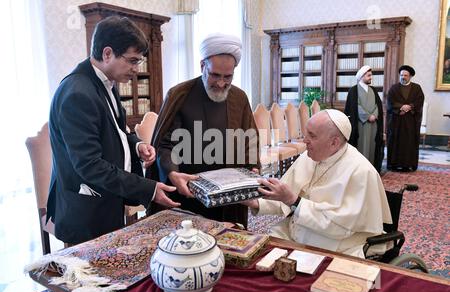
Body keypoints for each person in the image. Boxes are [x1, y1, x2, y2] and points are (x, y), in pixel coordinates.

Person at [47, 16, 179, 245]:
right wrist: (148, 188)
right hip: (86, 214)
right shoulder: (77, 93)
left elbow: (118, 131)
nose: (136, 70)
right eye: (132, 61)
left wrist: (137, 145)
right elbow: (89, 165)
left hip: (107, 201)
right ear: (107, 53)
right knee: (93, 279)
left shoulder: (105, 82)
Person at [244, 110, 392, 258]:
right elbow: (284, 194)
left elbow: (339, 227)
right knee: (257, 253)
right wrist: (257, 203)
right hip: (295, 232)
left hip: (335, 246)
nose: (304, 140)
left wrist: (294, 201)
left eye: (312, 136)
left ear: (334, 142)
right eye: (306, 133)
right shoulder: (309, 156)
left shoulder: (361, 172)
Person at [151, 33, 259, 228]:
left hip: (229, 195)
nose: (221, 83)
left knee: (230, 243)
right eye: (215, 75)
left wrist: (253, 168)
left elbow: (249, 138)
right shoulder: (179, 95)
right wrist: (172, 173)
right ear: (202, 66)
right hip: (190, 191)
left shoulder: (239, 97)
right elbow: (166, 144)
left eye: (228, 77)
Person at [344, 65, 384, 172]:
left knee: (372, 146)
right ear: (362, 76)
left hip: (373, 123)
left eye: (371, 75)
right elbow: (355, 106)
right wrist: (367, 116)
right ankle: (359, 170)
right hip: (360, 124)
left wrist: (374, 115)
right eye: (368, 75)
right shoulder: (354, 90)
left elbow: (377, 105)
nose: (371, 77)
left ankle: (370, 169)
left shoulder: (373, 90)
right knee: (361, 145)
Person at [386, 65, 425, 172]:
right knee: (395, 141)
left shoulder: (417, 88)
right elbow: (390, 102)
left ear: (410, 76)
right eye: (401, 75)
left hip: (410, 122)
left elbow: (419, 102)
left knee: (409, 142)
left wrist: (410, 107)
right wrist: (401, 108)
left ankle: (408, 164)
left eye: (406, 75)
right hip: (396, 121)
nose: (403, 77)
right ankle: (393, 164)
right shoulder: (394, 88)